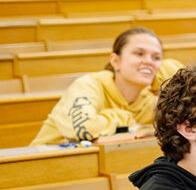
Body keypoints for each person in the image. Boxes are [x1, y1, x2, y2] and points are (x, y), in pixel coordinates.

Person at [31, 27, 183, 145]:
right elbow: (85, 129)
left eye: (156, 57)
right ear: (115, 61)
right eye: (139, 53)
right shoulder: (88, 85)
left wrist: (168, 76)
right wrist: (123, 118)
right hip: (40, 164)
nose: (149, 61)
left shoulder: (150, 102)